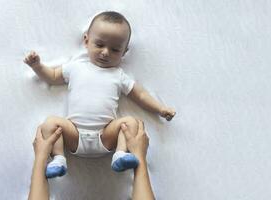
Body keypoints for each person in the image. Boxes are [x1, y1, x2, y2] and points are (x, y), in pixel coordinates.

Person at [23, 11, 176, 178]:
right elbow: (52, 77)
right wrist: (37, 66)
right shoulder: (75, 66)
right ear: (86, 41)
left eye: (115, 49)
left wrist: (160, 109)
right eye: (99, 44)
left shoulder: (119, 75)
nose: (105, 53)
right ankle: (59, 159)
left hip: (106, 136)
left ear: (124, 52)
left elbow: (140, 96)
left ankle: (120, 154)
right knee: (50, 123)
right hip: (74, 134)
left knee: (132, 123)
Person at [28, 120, 155, 200]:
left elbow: (139, 94)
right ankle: (120, 154)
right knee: (131, 122)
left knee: (49, 123)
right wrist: (139, 156)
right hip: (96, 135)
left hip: (86, 135)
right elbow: (55, 76)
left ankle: (58, 158)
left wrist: (40, 158)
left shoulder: (119, 77)